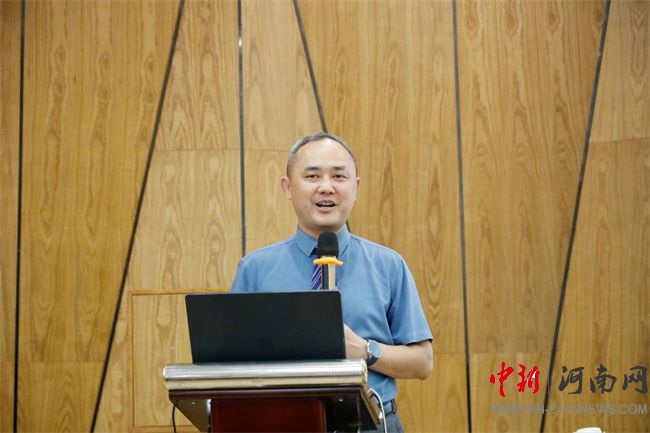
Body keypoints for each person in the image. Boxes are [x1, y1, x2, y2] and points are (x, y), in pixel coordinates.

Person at [231, 132, 433, 432]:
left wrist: (366, 350)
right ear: (288, 187)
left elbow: (423, 362)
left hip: (371, 423)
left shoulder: (389, 265)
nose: (326, 187)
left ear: (356, 187)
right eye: (312, 176)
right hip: (285, 422)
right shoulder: (255, 270)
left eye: (338, 176)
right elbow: (231, 364)